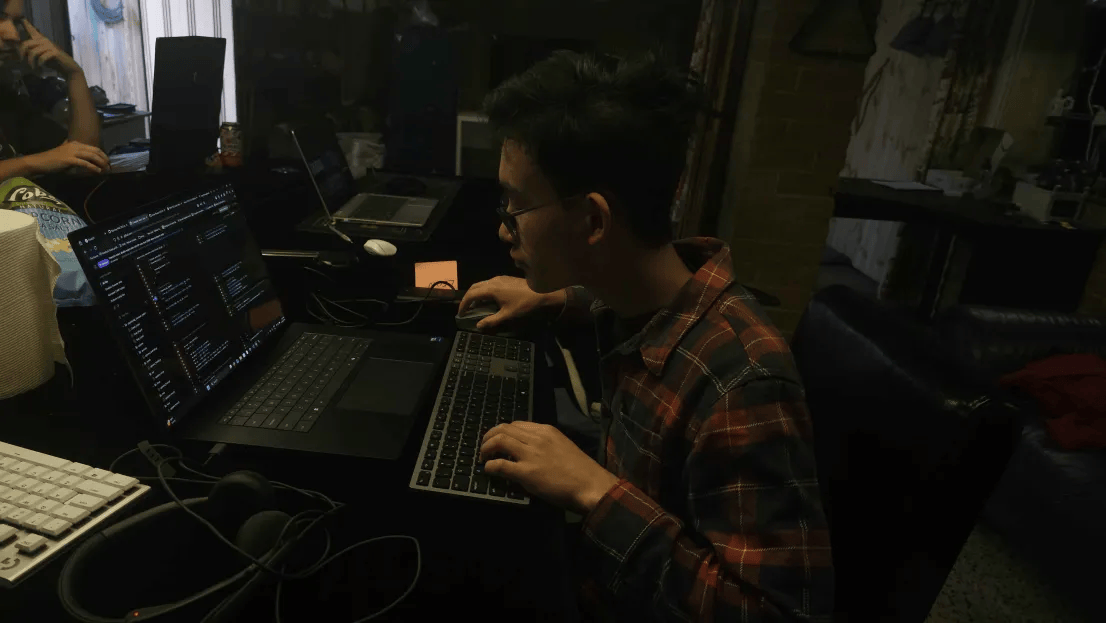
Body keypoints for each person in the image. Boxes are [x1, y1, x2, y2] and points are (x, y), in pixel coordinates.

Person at [460, 51, 834, 622]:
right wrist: (557, 296)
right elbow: (621, 297)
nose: (503, 229)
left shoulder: (741, 384)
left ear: (593, 222)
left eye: (517, 206)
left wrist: (595, 493)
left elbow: (778, 614)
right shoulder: (642, 295)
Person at [0, 0, 108, 180]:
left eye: (16, 22)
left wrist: (73, 75)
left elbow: (85, 160)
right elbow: (50, 159)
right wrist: (33, 163)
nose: (14, 35)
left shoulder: (7, 100)